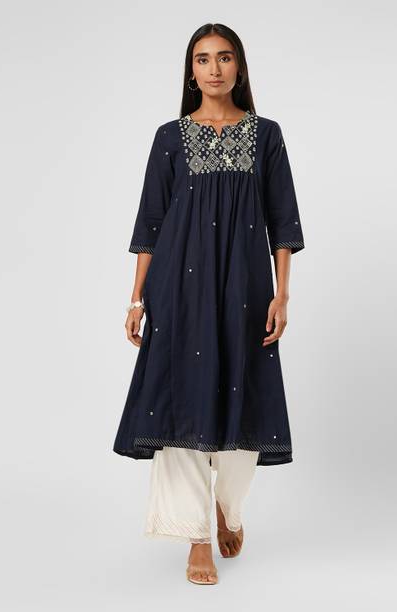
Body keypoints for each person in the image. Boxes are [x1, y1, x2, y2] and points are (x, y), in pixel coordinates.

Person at [113, 22, 305, 585]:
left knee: (245, 398)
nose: (214, 68)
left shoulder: (266, 135)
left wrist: (282, 294)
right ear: (190, 71)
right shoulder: (169, 138)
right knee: (182, 403)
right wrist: (136, 298)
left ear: (239, 67)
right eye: (202, 59)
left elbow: (283, 221)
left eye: (224, 57)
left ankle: (227, 507)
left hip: (246, 291)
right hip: (178, 288)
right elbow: (150, 223)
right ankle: (197, 537)